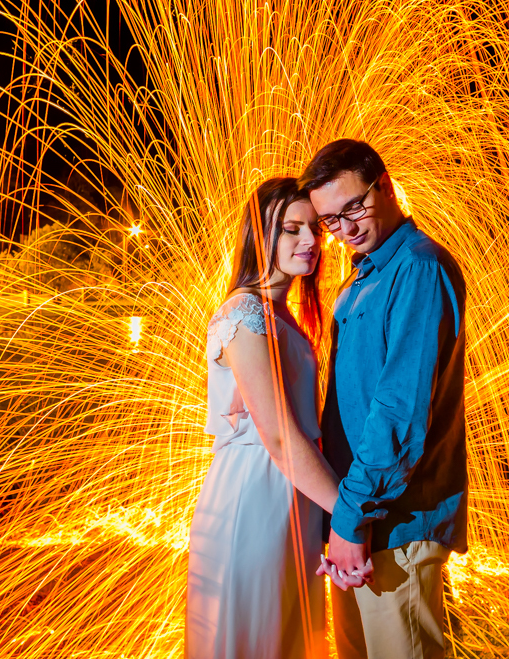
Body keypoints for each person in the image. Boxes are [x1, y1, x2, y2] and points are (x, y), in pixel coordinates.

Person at [299, 140, 468, 659]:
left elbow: (399, 412)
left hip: (395, 523)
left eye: (354, 206)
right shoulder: (362, 278)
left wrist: (350, 518)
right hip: (362, 521)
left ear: (386, 186)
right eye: (331, 220)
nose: (346, 228)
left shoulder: (417, 268)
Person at [185, 177, 363, 659]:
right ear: (260, 235)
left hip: (292, 501)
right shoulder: (243, 313)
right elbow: (281, 439)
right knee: (258, 639)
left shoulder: (283, 318)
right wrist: (349, 519)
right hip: (255, 500)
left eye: (314, 230)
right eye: (292, 229)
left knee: (289, 639)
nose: (311, 242)